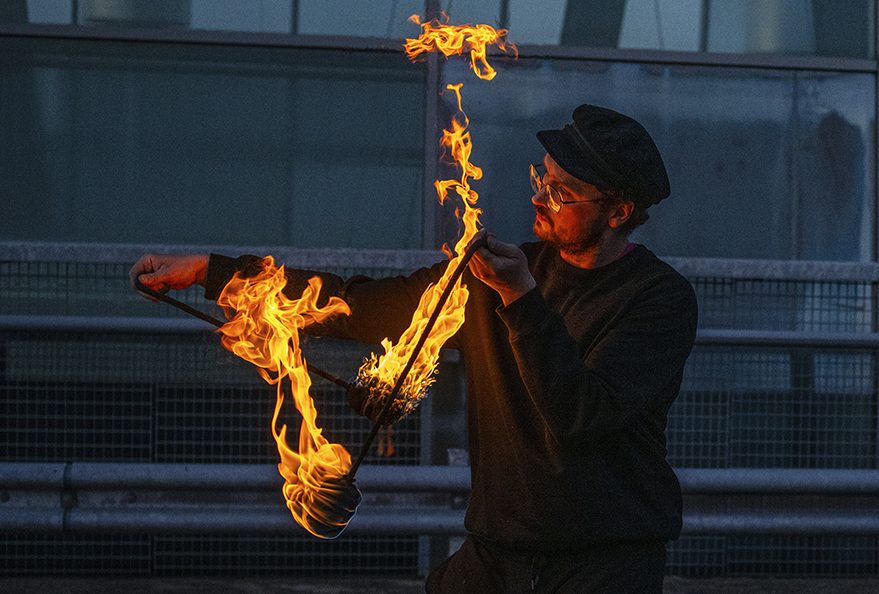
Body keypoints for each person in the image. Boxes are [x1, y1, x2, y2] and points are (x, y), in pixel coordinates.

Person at [131, 104, 698, 593]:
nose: (541, 198)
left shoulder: (658, 300)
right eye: (540, 179)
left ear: (619, 212)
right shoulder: (507, 272)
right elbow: (364, 304)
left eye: (562, 192)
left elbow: (581, 413)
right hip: (496, 552)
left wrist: (520, 297)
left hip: (603, 563)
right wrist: (214, 273)